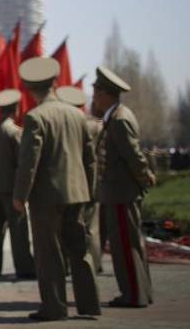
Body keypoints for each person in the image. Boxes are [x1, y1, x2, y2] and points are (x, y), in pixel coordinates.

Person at [12, 58, 100, 321]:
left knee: (48, 253)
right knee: (79, 250)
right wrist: (90, 191)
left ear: (28, 87)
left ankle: (54, 307)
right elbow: (90, 157)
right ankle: (90, 304)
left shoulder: (35, 117)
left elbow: (29, 163)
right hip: (78, 193)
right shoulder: (77, 114)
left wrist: (20, 196)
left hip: (47, 198)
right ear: (54, 82)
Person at [91, 66, 155, 308]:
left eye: (97, 92)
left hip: (121, 193)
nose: (94, 97)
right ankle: (140, 292)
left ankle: (132, 295)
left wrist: (144, 177)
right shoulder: (116, 116)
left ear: (106, 94)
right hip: (119, 192)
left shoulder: (118, 119)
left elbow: (134, 156)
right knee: (130, 245)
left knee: (125, 247)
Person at [0, 89, 35, 279]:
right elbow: (23, 163)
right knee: (18, 231)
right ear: (16, 109)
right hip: (12, 190)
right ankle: (25, 268)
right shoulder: (14, 133)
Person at [56, 85, 104, 274]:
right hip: (93, 179)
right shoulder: (95, 124)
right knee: (91, 226)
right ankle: (94, 263)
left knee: (67, 227)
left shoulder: (66, 125)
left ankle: (67, 264)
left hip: (70, 182)